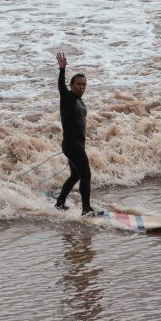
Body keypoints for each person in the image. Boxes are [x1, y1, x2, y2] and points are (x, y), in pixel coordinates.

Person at [54, 52, 101, 216]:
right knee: (86, 175)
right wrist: (62, 69)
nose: (81, 87)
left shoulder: (80, 100)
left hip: (75, 144)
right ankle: (86, 209)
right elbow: (60, 86)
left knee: (75, 175)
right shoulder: (68, 98)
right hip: (72, 145)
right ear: (72, 85)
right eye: (78, 84)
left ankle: (59, 203)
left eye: (84, 84)